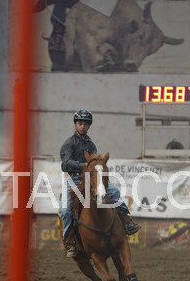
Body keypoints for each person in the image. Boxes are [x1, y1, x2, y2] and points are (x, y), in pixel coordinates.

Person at [60, 109, 140, 257]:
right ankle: (69, 240)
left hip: (91, 179)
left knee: (114, 191)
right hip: (74, 180)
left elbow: (96, 162)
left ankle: (127, 220)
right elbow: (66, 164)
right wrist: (84, 165)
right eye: (80, 123)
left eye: (85, 124)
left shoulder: (91, 144)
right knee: (65, 210)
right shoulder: (69, 143)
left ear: (89, 126)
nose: (82, 126)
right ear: (75, 124)